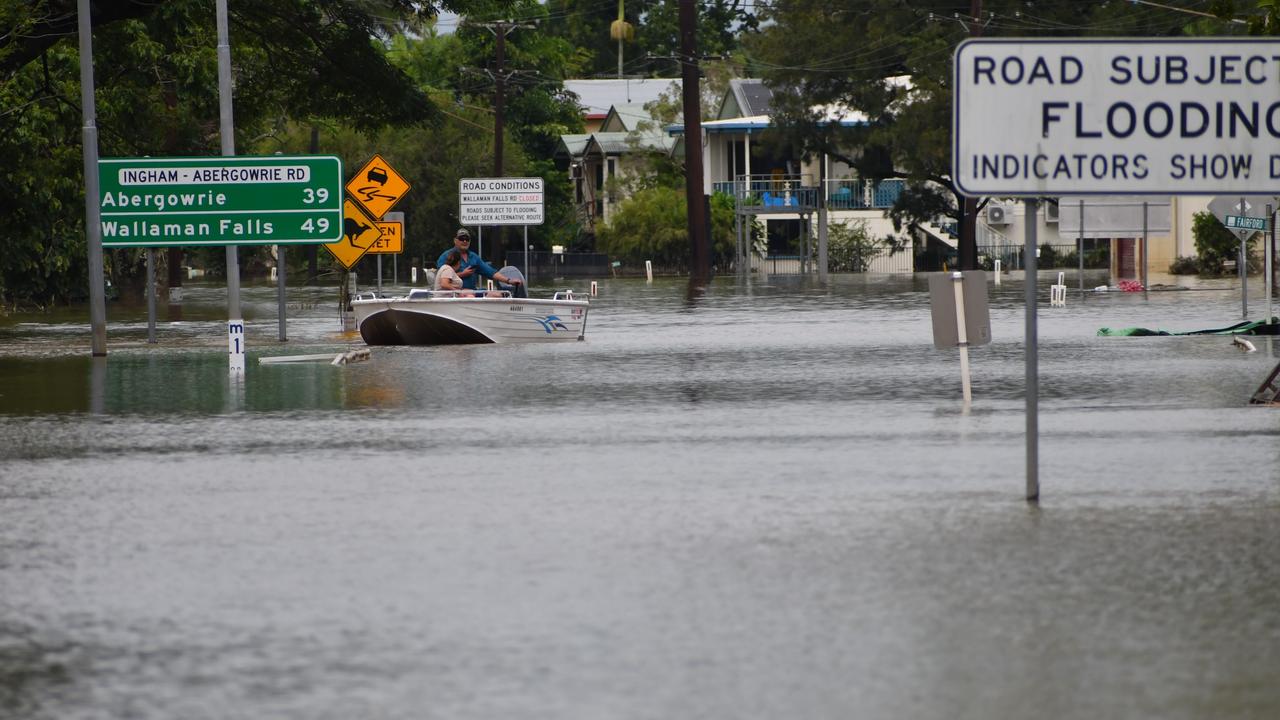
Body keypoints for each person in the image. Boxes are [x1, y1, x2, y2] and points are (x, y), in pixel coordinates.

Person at [436, 228, 521, 294]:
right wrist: (462, 274)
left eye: (467, 238)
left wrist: (509, 281)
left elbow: (491, 272)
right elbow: (441, 280)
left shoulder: (474, 257)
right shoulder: (446, 256)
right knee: (469, 295)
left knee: (497, 295)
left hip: (471, 293)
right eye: (461, 238)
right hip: (453, 295)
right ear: (455, 240)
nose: (465, 241)